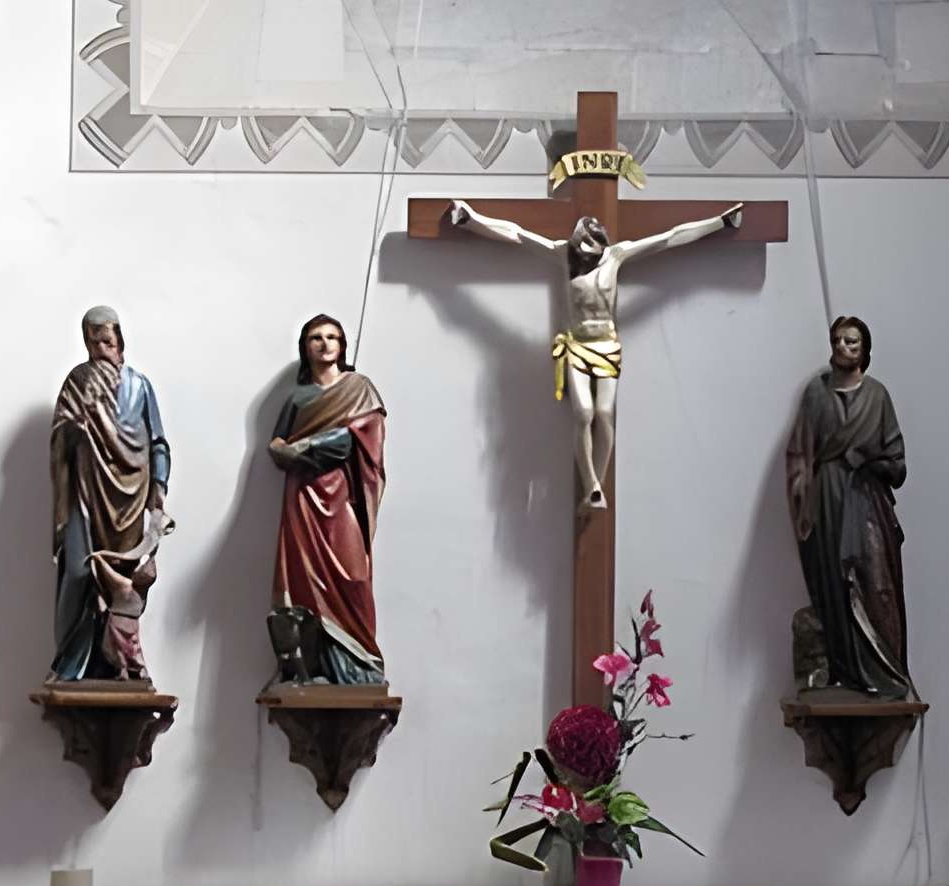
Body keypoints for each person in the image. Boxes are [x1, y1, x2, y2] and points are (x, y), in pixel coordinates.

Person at [439, 198, 746, 507]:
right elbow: (517, 234)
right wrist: (472, 219)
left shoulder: (617, 255)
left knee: (604, 413)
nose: (584, 252)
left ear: (601, 245)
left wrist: (720, 222)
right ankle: (592, 485)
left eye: (590, 247)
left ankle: (594, 490)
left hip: (607, 346)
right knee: (583, 412)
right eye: (580, 245)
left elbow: (670, 238)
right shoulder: (563, 254)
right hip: (576, 345)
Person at [785, 315, 911, 698]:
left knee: (875, 581)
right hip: (826, 499)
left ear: (865, 350)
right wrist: (802, 499)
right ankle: (840, 669)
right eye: (838, 340)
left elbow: (897, 462)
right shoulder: (815, 393)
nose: (843, 347)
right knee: (832, 585)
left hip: (866, 501)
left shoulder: (878, 395)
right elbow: (799, 453)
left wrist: (868, 458)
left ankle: (883, 670)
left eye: (852, 342)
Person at [49, 306, 172, 682]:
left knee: (127, 578)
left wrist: (159, 488)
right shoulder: (78, 381)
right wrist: (74, 429)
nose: (101, 347)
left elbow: (157, 442)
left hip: (131, 495)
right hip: (87, 492)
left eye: (108, 339)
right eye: (93, 340)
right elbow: (60, 433)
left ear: (120, 340)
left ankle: (123, 658)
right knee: (78, 572)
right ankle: (70, 663)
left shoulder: (140, 385)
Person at [265, 313, 389, 686]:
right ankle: (312, 666)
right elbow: (275, 443)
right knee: (303, 577)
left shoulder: (358, 388)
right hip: (302, 495)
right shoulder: (298, 397)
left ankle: (360, 665)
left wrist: (311, 445)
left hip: (340, 494)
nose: (324, 343)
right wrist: (287, 452)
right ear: (305, 347)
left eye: (332, 336)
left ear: (342, 344)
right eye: (315, 337)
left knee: (352, 575)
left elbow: (363, 437)